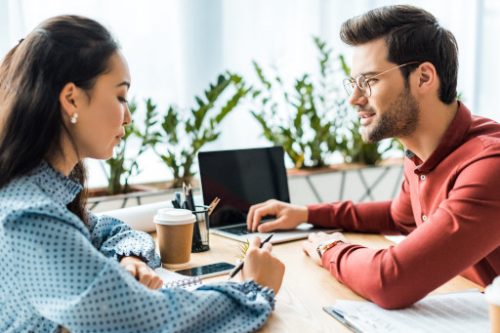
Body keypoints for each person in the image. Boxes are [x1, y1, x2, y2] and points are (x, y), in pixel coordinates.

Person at [0, 15, 285, 333]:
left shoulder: (45, 193)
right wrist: (256, 290)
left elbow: (111, 231)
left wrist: (129, 259)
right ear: (71, 99)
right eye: (121, 97)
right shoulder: (29, 216)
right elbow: (145, 319)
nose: (129, 117)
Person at [247, 5, 500, 309]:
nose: (354, 98)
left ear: (423, 78)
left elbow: (391, 280)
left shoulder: (490, 164)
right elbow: (399, 217)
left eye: (369, 80)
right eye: (353, 83)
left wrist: (329, 247)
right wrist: (307, 214)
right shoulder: (422, 154)